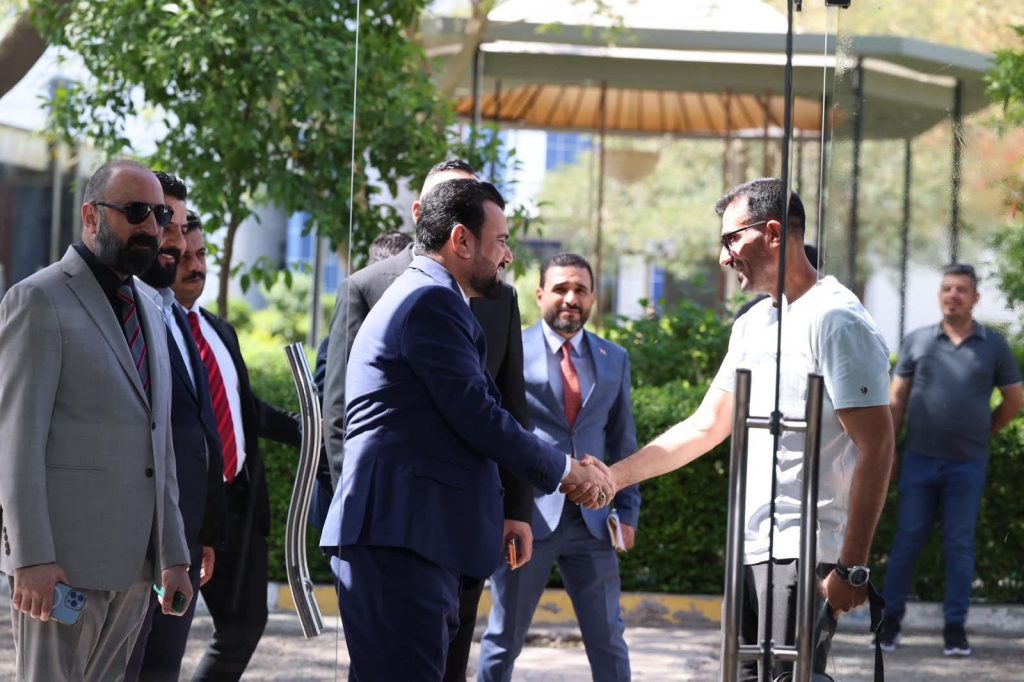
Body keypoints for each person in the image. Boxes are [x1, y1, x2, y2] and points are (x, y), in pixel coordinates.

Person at [565, 177, 895, 681]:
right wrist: (613, 477)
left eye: (731, 239)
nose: (723, 258)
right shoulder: (753, 324)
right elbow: (704, 426)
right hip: (750, 547)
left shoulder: (837, 319)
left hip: (805, 551)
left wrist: (852, 567)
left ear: (773, 233)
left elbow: (877, 446)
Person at [319, 178, 612, 681]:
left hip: (411, 537)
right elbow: (479, 415)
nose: (508, 257)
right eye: (501, 241)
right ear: (461, 240)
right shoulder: (428, 301)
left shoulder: (427, 295)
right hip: (401, 539)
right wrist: (567, 471)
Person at [0, 159, 193, 680]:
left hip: (135, 571)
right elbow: (16, 442)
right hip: (61, 570)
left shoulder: (151, 307)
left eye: (159, 215)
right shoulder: (37, 299)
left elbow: (159, 446)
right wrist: (30, 558)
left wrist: (173, 555)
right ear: (91, 216)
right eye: (136, 212)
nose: (151, 227)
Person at [478, 252, 640, 682]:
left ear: (593, 298)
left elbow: (622, 441)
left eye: (580, 290)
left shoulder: (613, 357)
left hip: (593, 522)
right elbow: (495, 430)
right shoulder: (511, 348)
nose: (571, 298)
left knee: (609, 639)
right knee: (503, 638)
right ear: (539, 295)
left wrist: (628, 512)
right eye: (561, 288)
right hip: (526, 517)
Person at [171, 225, 301, 681]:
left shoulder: (219, 330)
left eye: (202, 254)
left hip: (238, 505)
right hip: (184, 510)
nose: (196, 266)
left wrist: (312, 430)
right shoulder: (157, 330)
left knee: (244, 625)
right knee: (161, 636)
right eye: (184, 257)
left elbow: (245, 408)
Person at [877, 263, 1022, 656]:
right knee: (907, 540)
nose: (952, 295)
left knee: (960, 545)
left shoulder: (994, 345)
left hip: (967, 464)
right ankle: (890, 623)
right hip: (919, 460)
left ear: (975, 297)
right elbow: (896, 400)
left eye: (961, 289)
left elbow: (1014, 400)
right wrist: (888, 454)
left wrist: (985, 431)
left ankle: (955, 629)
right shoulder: (918, 341)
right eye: (946, 289)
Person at [127, 172, 225, 681]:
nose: (177, 241)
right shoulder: (123, 313)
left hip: (180, 543)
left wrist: (201, 532)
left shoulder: (176, 314)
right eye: (165, 221)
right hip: (133, 548)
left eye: (182, 227)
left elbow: (199, 430)